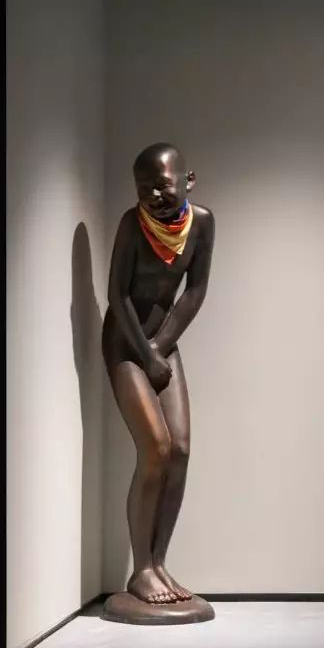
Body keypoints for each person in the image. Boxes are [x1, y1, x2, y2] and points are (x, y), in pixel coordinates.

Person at [102, 142, 215, 605]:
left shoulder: (202, 223)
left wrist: (160, 348)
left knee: (181, 449)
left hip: (161, 343)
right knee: (156, 447)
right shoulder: (132, 224)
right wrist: (145, 355)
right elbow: (117, 295)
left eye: (163, 185)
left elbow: (195, 291)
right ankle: (141, 570)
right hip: (125, 343)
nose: (153, 195)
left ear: (188, 181)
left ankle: (159, 561)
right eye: (143, 186)